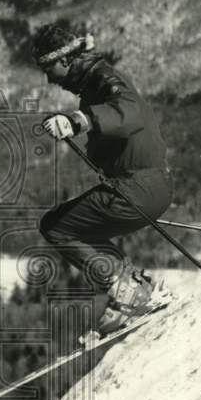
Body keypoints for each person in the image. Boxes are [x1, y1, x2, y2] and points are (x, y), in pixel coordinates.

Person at [32, 22, 173, 336]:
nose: (48, 77)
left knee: (57, 227)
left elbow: (128, 112)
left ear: (66, 60)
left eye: (48, 67)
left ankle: (132, 293)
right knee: (74, 228)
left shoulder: (105, 80)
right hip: (148, 186)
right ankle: (130, 289)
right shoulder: (95, 83)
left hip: (138, 187)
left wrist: (79, 121)